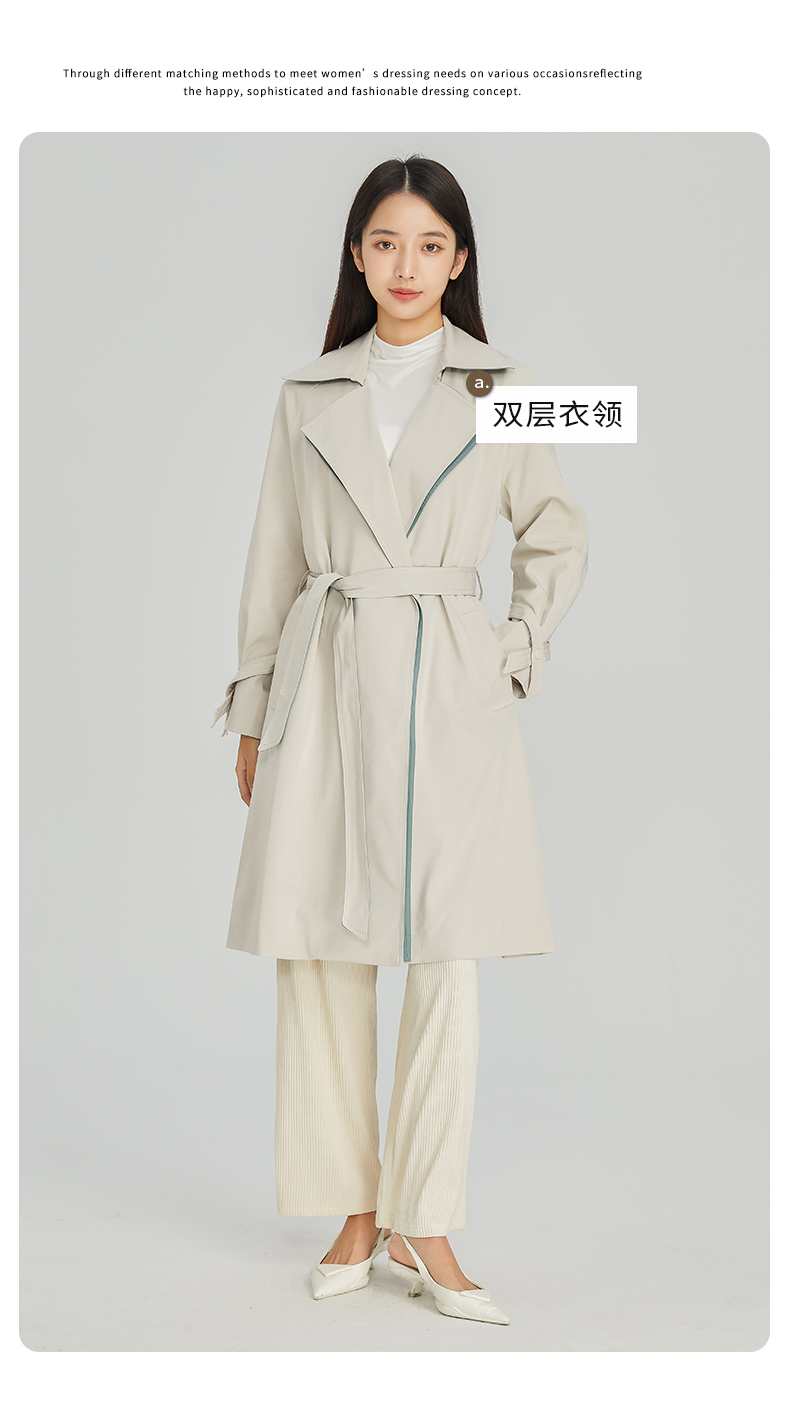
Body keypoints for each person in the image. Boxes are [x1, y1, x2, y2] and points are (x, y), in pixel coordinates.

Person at [213, 155, 588, 1325]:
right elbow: (274, 554)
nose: (406, 265)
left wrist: (512, 649)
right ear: (356, 254)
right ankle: (353, 1212)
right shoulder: (305, 391)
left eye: (429, 245)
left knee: (445, 955)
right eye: (385, 242)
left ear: (459, 258)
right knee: (319, 948)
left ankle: (425, 1221)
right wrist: (254, 706)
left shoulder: (506, 385)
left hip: (445, 687)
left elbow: (557, 529)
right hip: (325, 675)